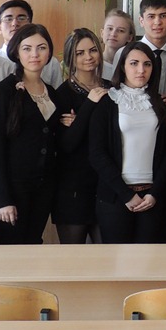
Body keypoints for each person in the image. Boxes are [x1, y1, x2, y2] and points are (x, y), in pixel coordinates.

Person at [89, 42, 166, 244]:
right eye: (134, 63)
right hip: (116, 195)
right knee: (118, 258)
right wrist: (126, 195)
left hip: (152, 196)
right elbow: (97, 153)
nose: (141, 70)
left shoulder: (161, 103)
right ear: (122, 67)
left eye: (147, 64)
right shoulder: (107, 102)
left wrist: (154, 194)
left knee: (151, 258)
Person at [0, 24, 61, 244]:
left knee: (33, 244)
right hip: (13, 188)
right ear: (17, 52)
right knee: (10, 249)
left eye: (41, 48)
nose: (34, 54)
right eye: (27, 48)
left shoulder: (52, 92)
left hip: (43, 188)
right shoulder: (4, 91)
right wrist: (2, 198)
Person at [53, 28, 110, 244]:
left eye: (93, 50)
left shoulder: (111, 88)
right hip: (73, 188)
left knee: (109, 255)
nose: (88, 57)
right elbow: (67, 144)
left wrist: (80, 123)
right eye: (80, 53)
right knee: (73, 257)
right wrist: (89, 105)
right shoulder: (62, 94)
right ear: (70, 57)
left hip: (106, 185)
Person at [136, 0, 166, 240]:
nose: (157, 22)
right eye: (151, 16)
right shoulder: (128, 53)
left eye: (163, 16)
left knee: (163, 225)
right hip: (136, 144)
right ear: (141, 20)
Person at [0, 0, 63, 88]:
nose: (15, 23)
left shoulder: (50, 63)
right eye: (8, 19)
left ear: (30, 24)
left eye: (21, 18)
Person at [100, 9, 135, 83]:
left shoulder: (134, 66)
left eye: (121, 30)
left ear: (129, 37)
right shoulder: (93, 64)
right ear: (102, 33)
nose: (113, 34)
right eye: (110, 29)